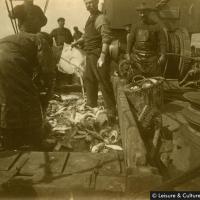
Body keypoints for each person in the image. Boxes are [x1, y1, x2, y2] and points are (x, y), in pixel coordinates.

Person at [0, 6, 55, 150]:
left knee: (6, 100)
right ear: (35, 21)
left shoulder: (9, 38)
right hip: (10, 63)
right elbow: (47, 70)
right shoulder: (39, 39)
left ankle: (9, 139)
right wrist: (47, 90)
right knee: (32, 100)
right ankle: (34, 141)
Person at [72, 0, 116, 120]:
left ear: (97, 3)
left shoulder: (100, 18)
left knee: (103, 81)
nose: (88, 5)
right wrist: (77, 42)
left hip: (98, 54)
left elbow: (106, 38)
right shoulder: (90, 18)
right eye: (86, 3)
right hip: (90, 55)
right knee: (89, 80)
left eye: (91, 2)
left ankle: (111, 110)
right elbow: (87, 35)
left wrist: (102, 56)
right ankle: (91, 106)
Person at [127, 3, 166, 77]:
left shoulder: (157, 26)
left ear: (148, 12)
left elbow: (162, 41)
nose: (142, 14)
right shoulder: (135, 26)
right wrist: (128, 54)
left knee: (154, 80)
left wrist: (163, 55)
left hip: (152, 59)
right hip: (137, 58)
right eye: (140, 12)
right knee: (134, 80)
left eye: (144, 12)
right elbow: (130, 40)